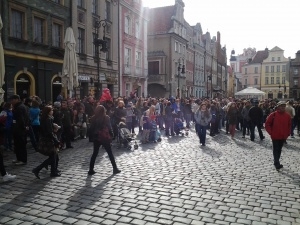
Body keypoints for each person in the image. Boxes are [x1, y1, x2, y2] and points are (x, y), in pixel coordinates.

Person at [88, 105, 121, 175]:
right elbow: (109, 127)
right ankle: (115, 168)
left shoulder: (93, 118)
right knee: (110, 153)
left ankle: (91, 169)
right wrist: (112, 135)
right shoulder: (106, 117)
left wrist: (92, 137)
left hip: (97, 137)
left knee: (95, 153)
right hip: (104, 137)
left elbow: (91, 128)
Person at [32, 106, 61, 178]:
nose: (52, 111)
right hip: (48, 140)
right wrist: (56, 140)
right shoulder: (47, 119)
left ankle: (54, 170)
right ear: (48, 112)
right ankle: (38, 169)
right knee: (53, 157)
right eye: (51, 110)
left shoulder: (47, 118)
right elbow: (49, 132)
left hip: (47, 138)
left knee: (55, 157)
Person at [265, 101, 291, 170]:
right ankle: (277, 163)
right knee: (276, 149)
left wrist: (287, 134)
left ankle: (276, 161)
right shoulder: (273, 115)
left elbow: (289, 125)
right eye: (281, 106)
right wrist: (271, 132)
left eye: (284, 106)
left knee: (279, 149)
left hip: (283, 136)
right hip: (275, 135)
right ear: (278, 107)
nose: (283, 107)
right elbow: (267, 124)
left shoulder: (287, 116)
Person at [10, 94, 30, 165]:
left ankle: (23, 160)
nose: (11, 101)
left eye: (12, 100)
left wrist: (24, 127)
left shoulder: (20, 108)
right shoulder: (20, 106)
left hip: (20, 130)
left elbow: (21, 119)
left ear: (17, 100)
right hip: (18, 129)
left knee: (21, 145)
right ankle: (19, 158)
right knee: (17, 145)